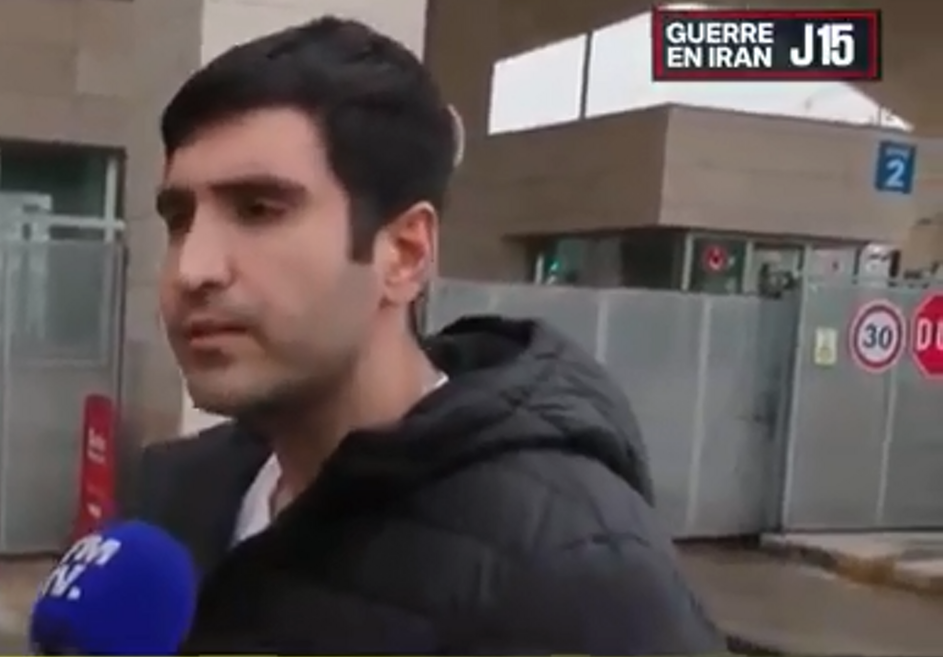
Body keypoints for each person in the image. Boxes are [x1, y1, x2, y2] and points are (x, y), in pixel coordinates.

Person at [134, 15, 727, 655]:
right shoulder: (174, 495)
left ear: (405, 254)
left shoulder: (579, 573)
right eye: (179, 219)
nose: (192, 268)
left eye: (258, 210)